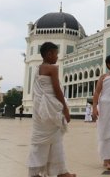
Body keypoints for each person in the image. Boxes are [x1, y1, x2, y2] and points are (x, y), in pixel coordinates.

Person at [27, 42, 76, 177]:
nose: (57, 56)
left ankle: (58, 172)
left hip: (41, 108)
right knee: (52, 139)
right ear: (49, 54)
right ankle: (54, 172)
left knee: (50, 140)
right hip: (50, 109)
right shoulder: (53, 68)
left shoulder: (38, 69)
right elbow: (57, 90)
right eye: (56, 53)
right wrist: (65, 108)